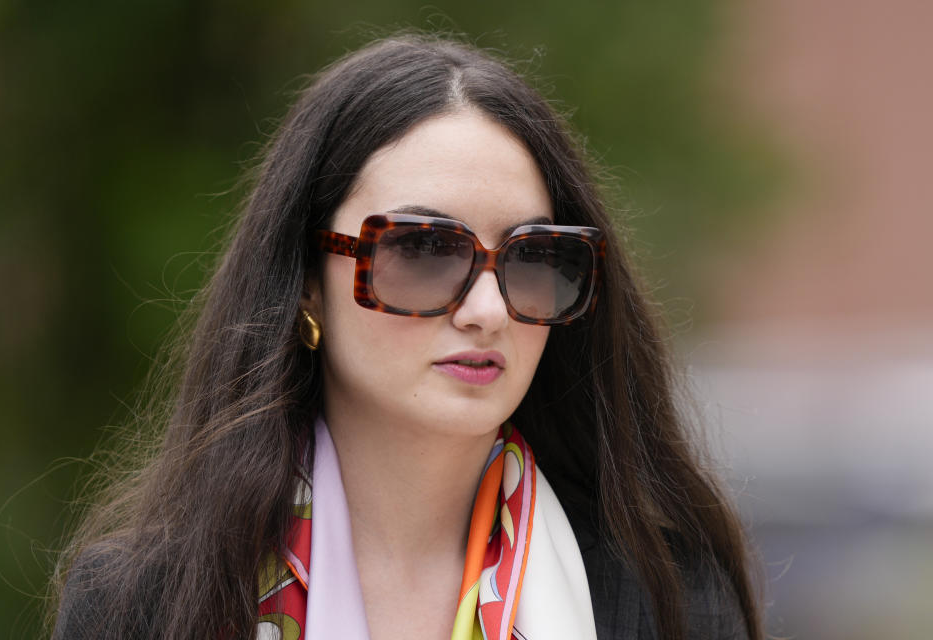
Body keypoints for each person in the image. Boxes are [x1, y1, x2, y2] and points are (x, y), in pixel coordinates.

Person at [49, 34, 763, 640]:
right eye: (423, 252)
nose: (488, 309)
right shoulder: (145, 605)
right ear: (304, 279)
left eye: (533, 257)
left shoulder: (665, 600)